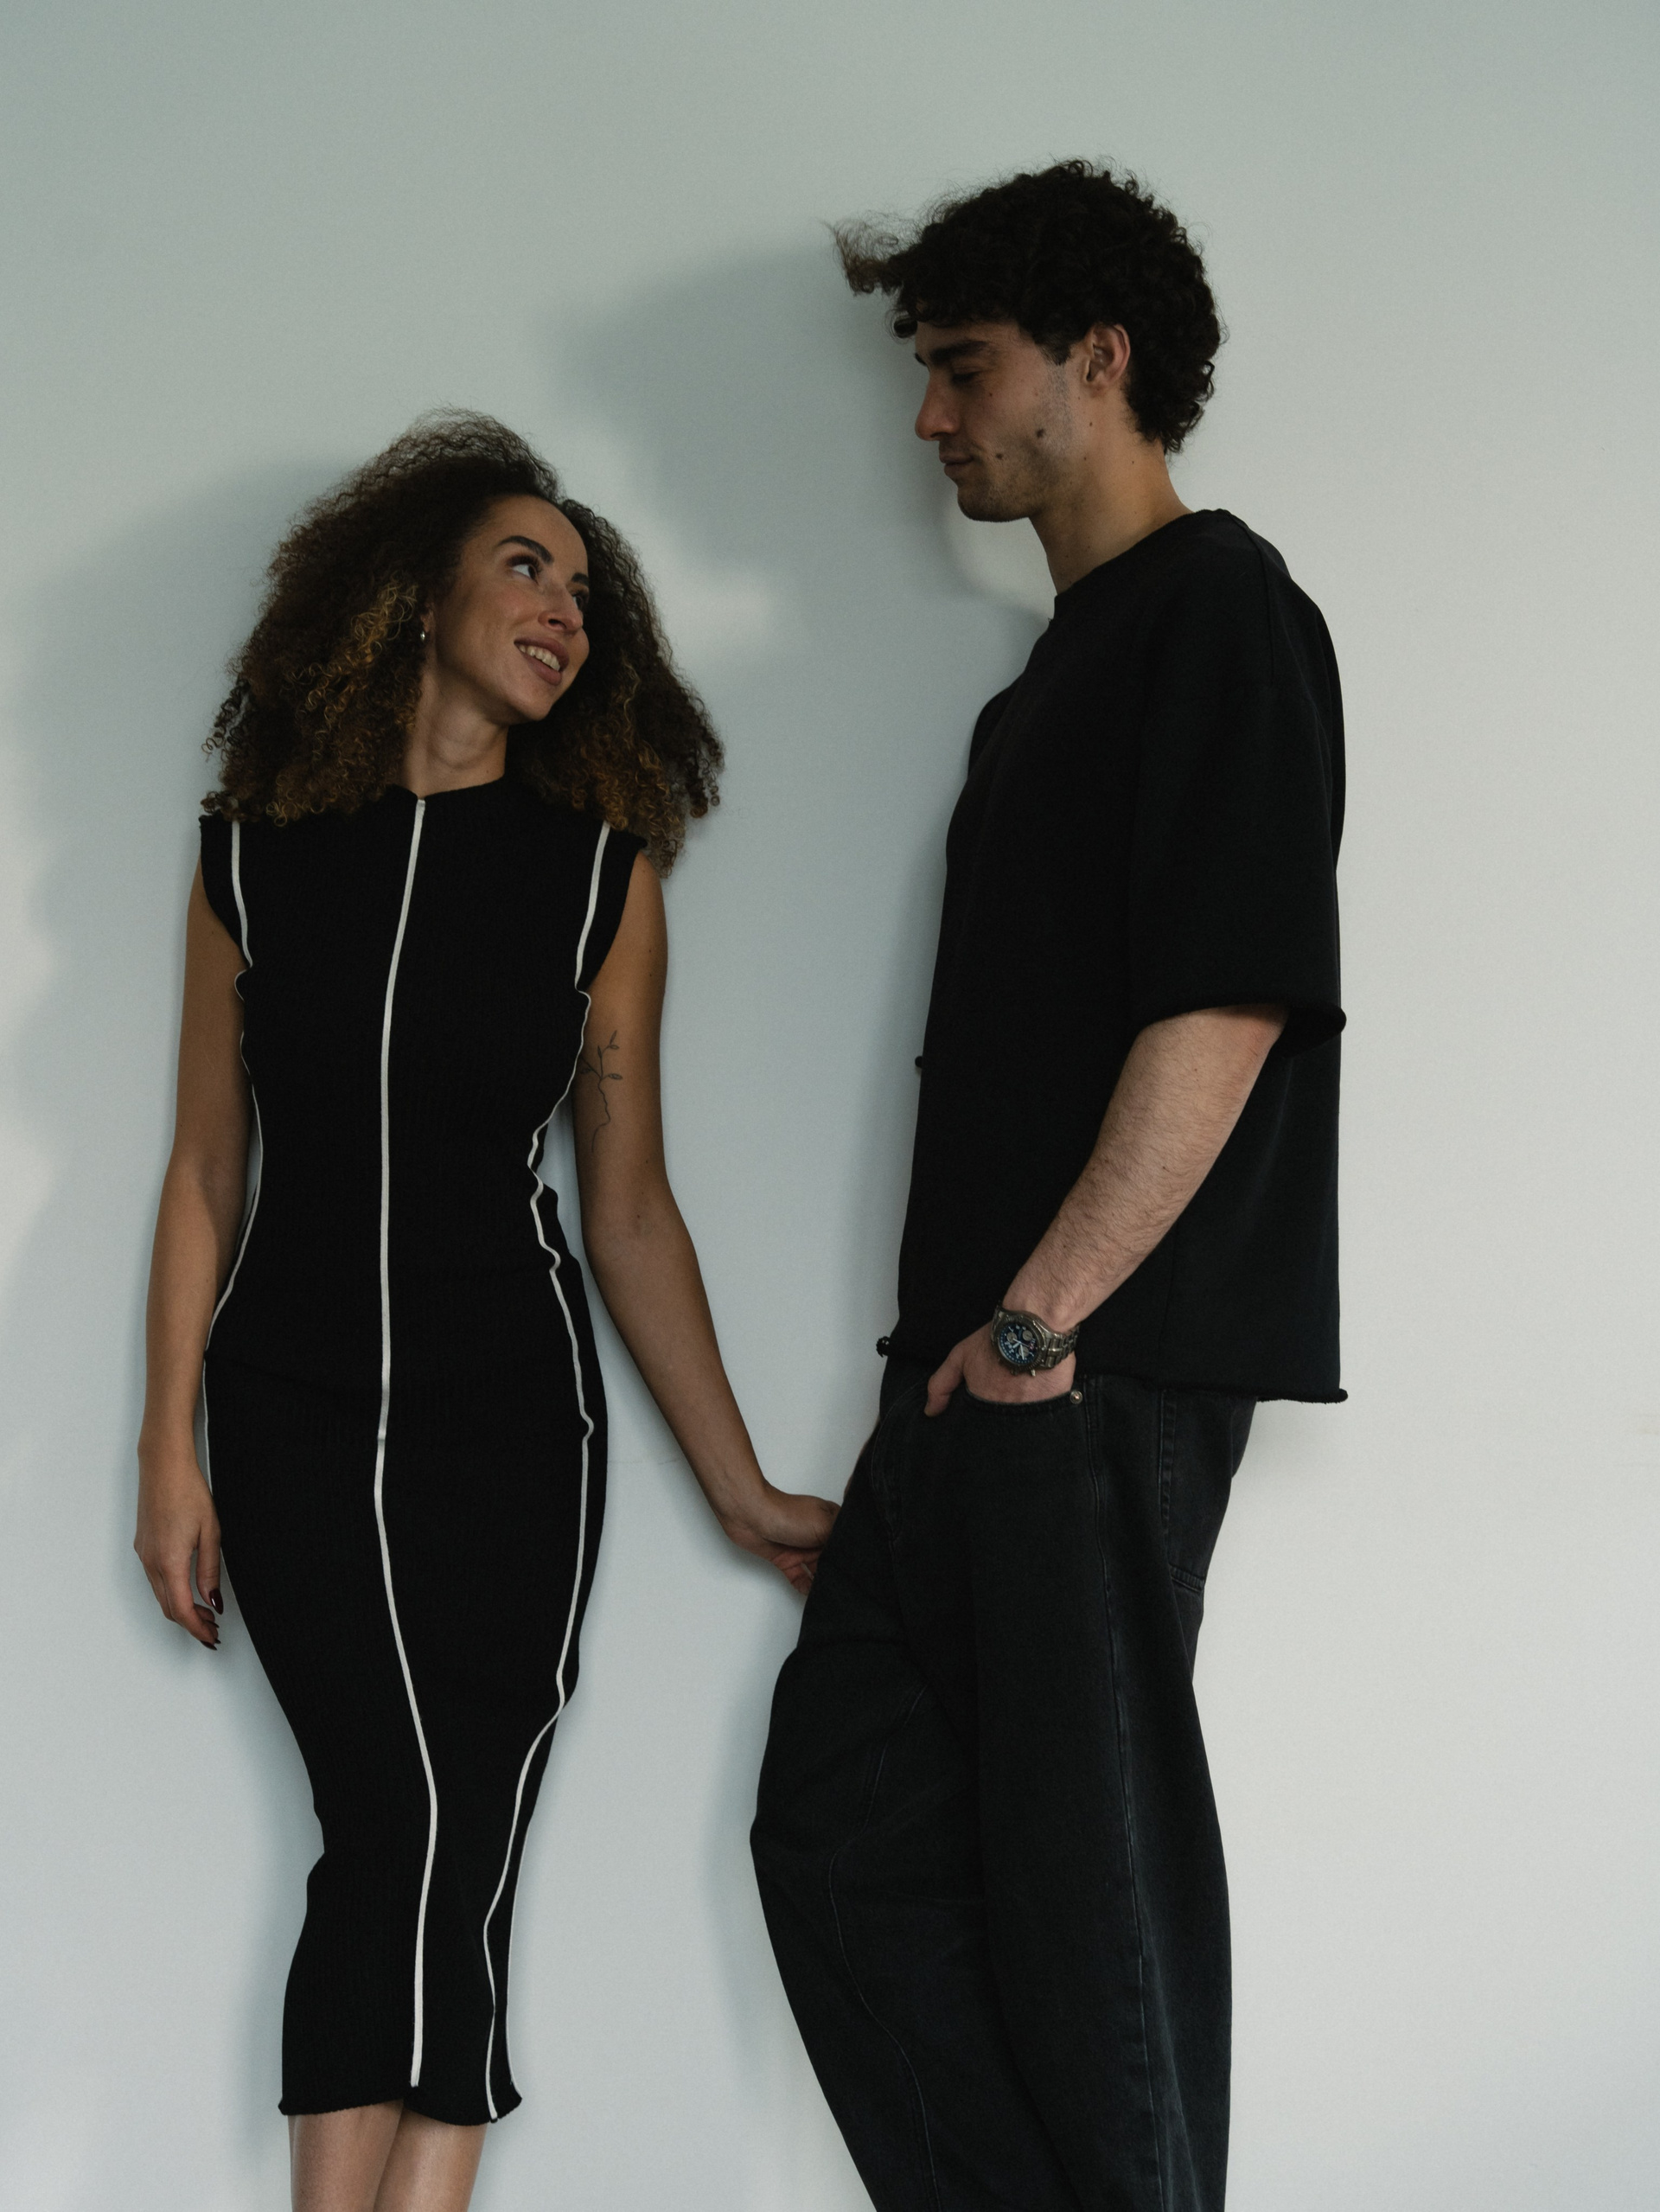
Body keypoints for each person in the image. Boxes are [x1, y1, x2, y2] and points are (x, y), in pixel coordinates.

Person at [134, 412, 836, 2212]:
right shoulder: (252, 861)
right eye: (526, 565)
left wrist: (743, 1487)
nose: (565, 609)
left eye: (585, 590)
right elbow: (206, 1168)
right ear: (413, 593)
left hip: (514, 1419)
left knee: (467, 1836)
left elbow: (631, 1210)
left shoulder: (599, 878)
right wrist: (166, 1450)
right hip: (288, 1404)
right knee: (395, 1816)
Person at [751, 163, 1344, 2212]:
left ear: (1101, 359)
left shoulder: (1221, 613)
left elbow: (1229, 1001)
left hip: (1082, 1372)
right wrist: (973, 1356)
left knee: (1090, 1922)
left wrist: (1039, 1323)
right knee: (840, 1842)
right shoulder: (1053, 680)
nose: (930, 418)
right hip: (970, 1383)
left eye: (963, 367)